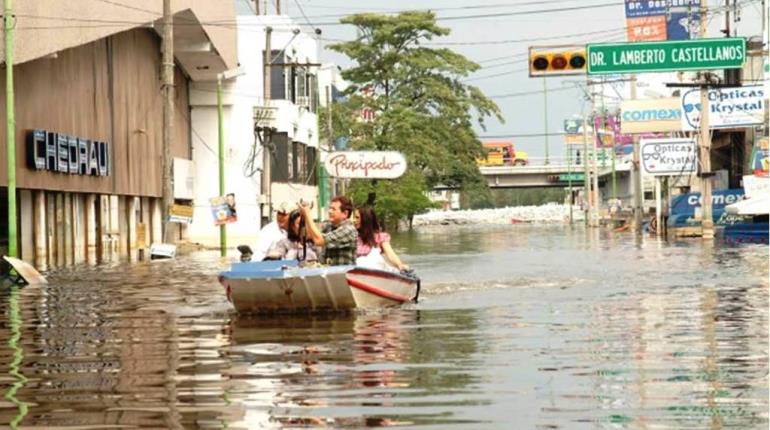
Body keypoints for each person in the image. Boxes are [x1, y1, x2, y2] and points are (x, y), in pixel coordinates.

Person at [299, 196, 357, 266]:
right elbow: (309, 235)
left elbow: (319, 240)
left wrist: (307, 214)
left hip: (342, 274)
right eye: (330, 208)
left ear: (345, 213)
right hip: (328, 273)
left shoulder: (349, 230)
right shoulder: (329, 226)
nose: (329, 211)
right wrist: (304, 216)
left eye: (333, 209)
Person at [353, 206, 409, 272]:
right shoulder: (353, 236)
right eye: (354, 217)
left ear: (366, 219)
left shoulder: (380, 237)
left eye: (357, 217)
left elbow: (390, 254)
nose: (354, 220)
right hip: (355, 271)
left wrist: (400, 265)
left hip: (373, 272)